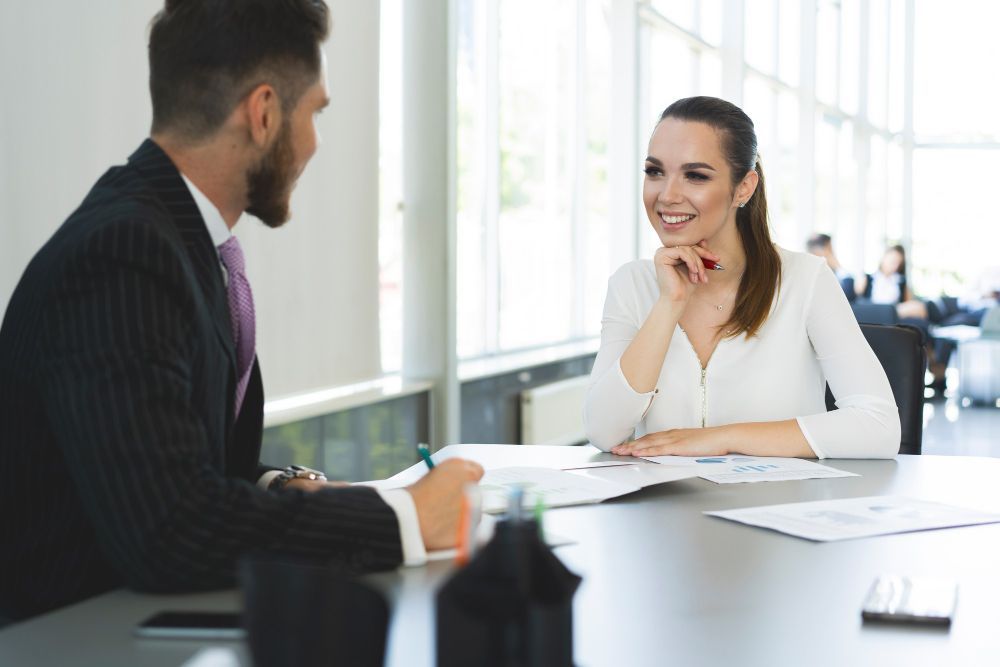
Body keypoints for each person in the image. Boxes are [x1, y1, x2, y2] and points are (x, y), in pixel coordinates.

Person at [0, 0, 482, 622]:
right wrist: (405, 516)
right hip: (70, 637)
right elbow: (168, 530)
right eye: (315, 113)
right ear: (262, 113)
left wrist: (274, 487)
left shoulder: (177, 240)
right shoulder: (122, 255)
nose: (313, 144)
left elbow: (164, 457)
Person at [584, 96, 899, 459]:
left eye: (696, 176)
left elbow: (880, 426)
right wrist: (669, 303)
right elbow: (604, 431)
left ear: (744, 188)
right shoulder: (631, 284)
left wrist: (720, 439)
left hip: (776, 509)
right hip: (665, 510)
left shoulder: (805, 280)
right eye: (655, 172)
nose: (667, 195)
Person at [855, 244, 928, 320]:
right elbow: (857, 299)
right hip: (874, 310)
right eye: (892, 260)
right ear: (884, 258)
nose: (895, 266)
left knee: (919, 307)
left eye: (898, 263)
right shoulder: (868, 278)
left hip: (894, 312)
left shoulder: (900, 281)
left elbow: (907, 302)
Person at [806, 233, 856, 302]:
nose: (832, 253)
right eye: (830, 249)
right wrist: (838, 267)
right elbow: (849, 295)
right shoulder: (815, 273)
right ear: (819, 251)